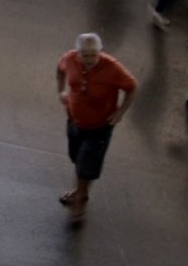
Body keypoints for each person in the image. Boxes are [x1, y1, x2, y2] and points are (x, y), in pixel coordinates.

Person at [55, 33, 137, 225]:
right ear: (78, 53)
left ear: (100, 52)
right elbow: (60, 70)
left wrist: (120, 113)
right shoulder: (69, 58)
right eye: (85, 55)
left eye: (94, 55)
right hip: (74, 122)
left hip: (99, 128)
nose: (90, 59)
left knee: (86, 166)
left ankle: (79, 205)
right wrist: (61, 90)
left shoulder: (112, 68)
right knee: (76, 158)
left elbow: (132, 87)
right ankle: (80, 191)